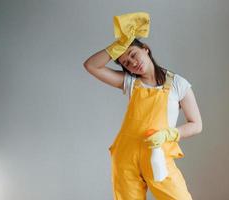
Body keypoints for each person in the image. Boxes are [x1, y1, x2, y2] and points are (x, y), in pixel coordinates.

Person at [83, 12, 202, 200]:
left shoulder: (178, 84)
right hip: (126, 158)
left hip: (158, 155)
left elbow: (196, 124)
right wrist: (117, 47)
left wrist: (169, 134)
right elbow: (91, 66)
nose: (132, 63)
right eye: (126, 63)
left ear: (145, 49)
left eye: (133, 54)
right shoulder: (130, 83)